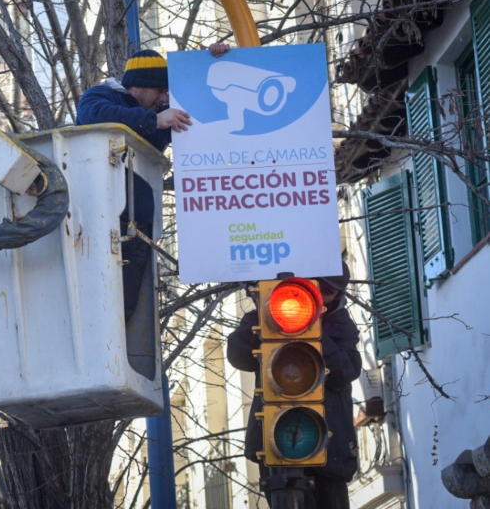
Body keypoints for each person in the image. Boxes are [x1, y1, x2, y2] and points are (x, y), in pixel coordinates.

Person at [75, 45, 229, 320]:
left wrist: (214, 59)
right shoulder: (101, 96)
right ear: (139, 86)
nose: (164, 98)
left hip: (137, 227)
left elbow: (205, 99)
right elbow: (92, 116)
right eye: (160, 90)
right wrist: (153, 120)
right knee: (93, 303)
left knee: (123, 309)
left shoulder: (160, 112)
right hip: (95, 220)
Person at [226, 262, 361, 509]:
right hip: (278, 440)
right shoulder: (267, 314)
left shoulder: (341, 325)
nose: (321, 297)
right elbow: (238, 355)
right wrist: (265, 317)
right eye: (316, 288)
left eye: (328, 292)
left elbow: (346, 371)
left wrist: (314, 331)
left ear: (338, 296)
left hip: (330, 445)